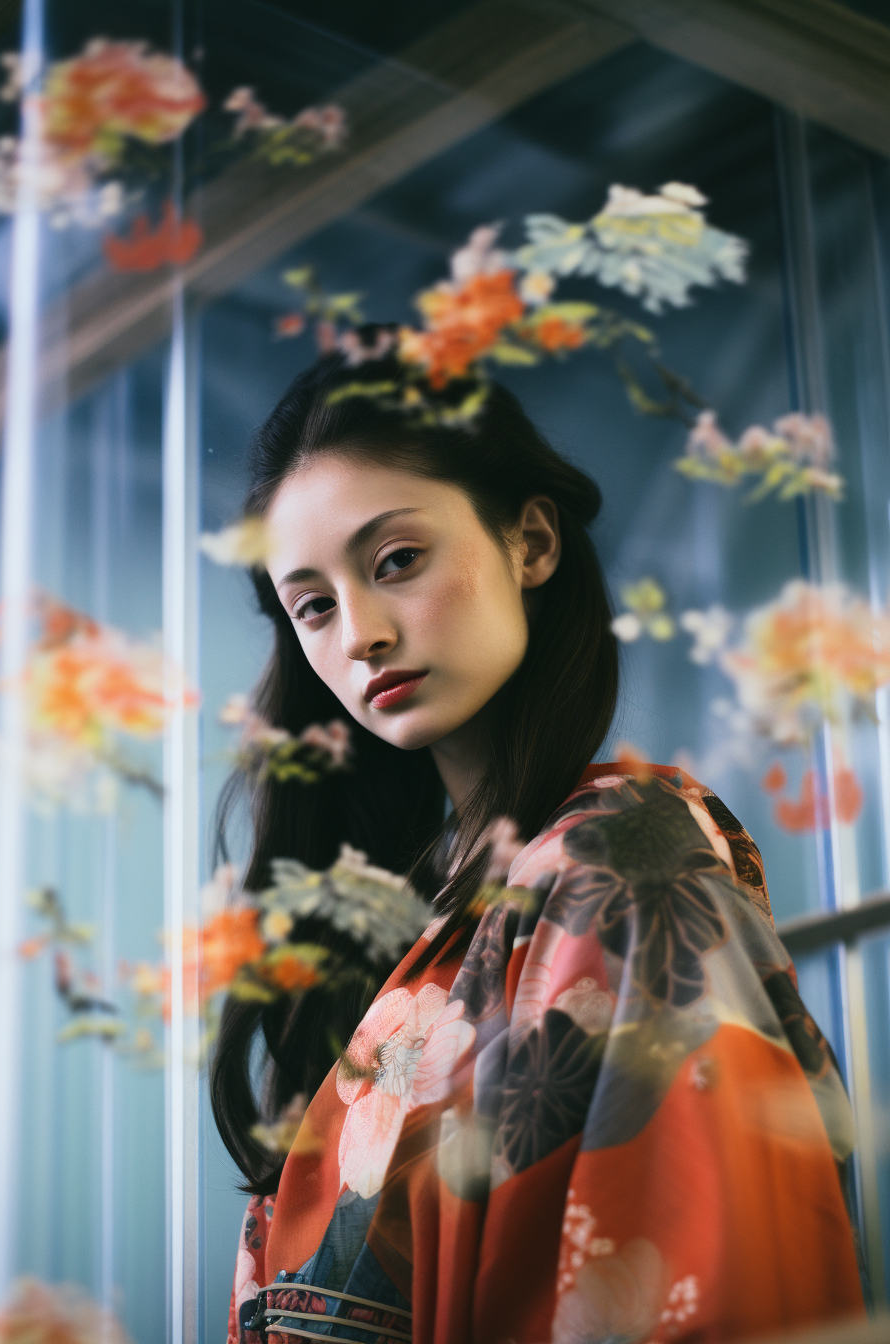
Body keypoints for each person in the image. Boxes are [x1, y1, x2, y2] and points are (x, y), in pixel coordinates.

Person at [213, 343, 865, 1344]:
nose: (361, 635)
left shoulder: (622, 862)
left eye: (396, 561)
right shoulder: (411, 928)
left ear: (530, 542)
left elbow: (693, 1277)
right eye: (313, 605)